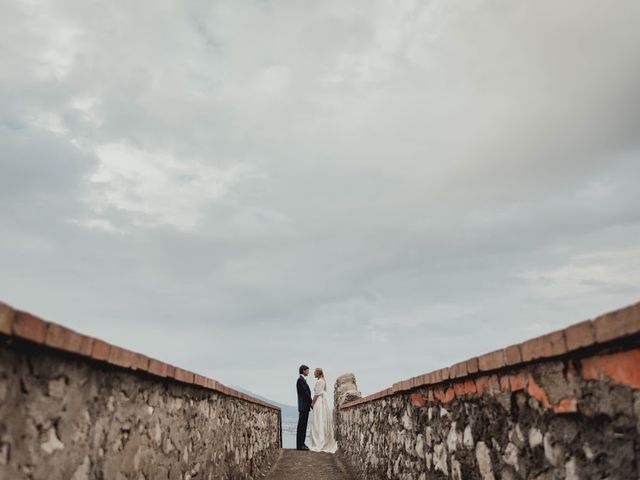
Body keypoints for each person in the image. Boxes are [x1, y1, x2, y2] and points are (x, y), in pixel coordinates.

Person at [309, 367, 338, 453]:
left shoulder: (320, 381)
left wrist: (312, 403)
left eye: (315, 372)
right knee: (320, 420)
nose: (313, 373)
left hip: (318, 402)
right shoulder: (322, 380)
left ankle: (319, 441)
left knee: (318, 420)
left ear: (318, 373)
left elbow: (317, 394)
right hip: (321, 401)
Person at [296, 364, 312, 450]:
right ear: (303, 370)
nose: (308, 372)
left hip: (305, 407)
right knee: (301, 426)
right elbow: (305, 394)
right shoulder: (300, 380)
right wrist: (311, 403)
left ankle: (302, 443)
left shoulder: (302, 380)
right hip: (303, 407)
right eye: (307, 370)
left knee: (303, 426)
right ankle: (300, 445)